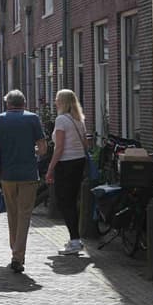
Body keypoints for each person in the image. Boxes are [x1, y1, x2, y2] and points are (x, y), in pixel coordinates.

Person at [0, 90, 47, 273]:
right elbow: (43, 149)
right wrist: (32, 152)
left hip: (8, 175)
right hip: (28, 174)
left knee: (12, 213)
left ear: (8, 104)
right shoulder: (33, 119)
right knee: (25, 215)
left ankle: (16, 252)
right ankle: (17, 256)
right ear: (24, 103)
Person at [45, 89, 89, 255]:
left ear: (62, 102)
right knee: (71, 200)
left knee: (64, 201)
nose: (55, 102)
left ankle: (75, 240)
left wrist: (50, 169)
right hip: (79, 162)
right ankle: (75, 238)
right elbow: (86, 144)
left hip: (66, 164)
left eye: (57, 99)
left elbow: (60, 147)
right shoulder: (79, 120)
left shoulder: (62, 120)